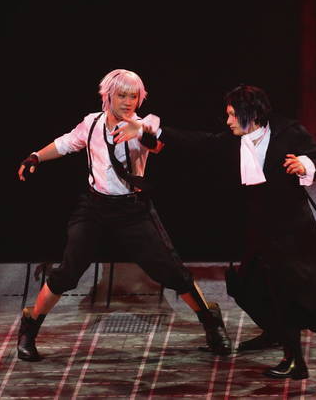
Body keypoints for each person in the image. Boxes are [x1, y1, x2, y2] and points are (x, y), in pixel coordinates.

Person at [118, 84, 316, 380]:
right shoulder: (233, 141)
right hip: (258, 226)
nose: (229, 121)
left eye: (233, 115)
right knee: (246, 286)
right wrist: (152, 131)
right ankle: (274, 333)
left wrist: (304, 164)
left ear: (251, 113)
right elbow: (197, 142)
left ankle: (295, 362)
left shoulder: (289, 132)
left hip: (289, 228)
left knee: (284, 290)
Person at [15, 69, 232, 362]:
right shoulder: (91, 123)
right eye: (122, 95)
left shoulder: (144, 123)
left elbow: (156, 144)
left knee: (172, 272)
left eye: (133, 96)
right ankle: (30, 326)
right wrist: (36, 156)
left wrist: (140, 132)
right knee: (67, 272)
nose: (128, 102)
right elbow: (66, 143)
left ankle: (210, 322)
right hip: (94, 207)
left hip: (133, 210)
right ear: (108, 96)